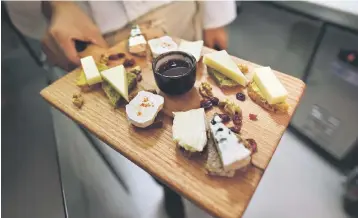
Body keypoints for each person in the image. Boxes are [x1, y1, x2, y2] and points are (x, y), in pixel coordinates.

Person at [5, 1, 237, 218]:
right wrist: (57, 4)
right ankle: (168, 187)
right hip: (99, 34)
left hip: (179, 12)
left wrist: (215, 17)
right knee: (151, 141)